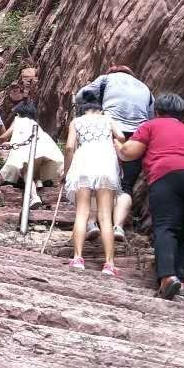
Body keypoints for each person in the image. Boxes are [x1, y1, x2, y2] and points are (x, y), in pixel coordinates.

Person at [117, 92, 184, 300]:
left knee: (166, 228)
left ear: (157, 111)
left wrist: (118, 145)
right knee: (181, 233)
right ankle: (181, 281)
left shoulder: (152, 125)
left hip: (169, 175)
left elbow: (129, 152)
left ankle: (168, 278)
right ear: (182, 114)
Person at [76, 64, 154, 241]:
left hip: (110, 129)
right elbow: (150, 117)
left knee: (98, 178)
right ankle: (118, 227)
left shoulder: (106, 79)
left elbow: (82, 95)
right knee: (126, 185)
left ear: (113, 71)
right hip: (137, 135)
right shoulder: (145, 88)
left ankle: (91, 223)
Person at [62, 88, 125, 276]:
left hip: (83, 164)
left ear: (83, 108)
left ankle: (78, 258)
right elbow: (121, 136)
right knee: (106, 216)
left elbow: (69, 147)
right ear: (99, 107)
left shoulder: (76, 122)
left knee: (82, 213)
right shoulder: (108, 119)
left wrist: (67, 171)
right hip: (105, 164)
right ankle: (109, 263)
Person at [0, 102, 64, 208]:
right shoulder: (34, 123)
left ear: (19, 113)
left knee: (26, 171)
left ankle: (34, 196)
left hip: (31, 151)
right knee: (34, 169)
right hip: (47, 149)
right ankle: (38, 182)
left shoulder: (18, 120)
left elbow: (4, 137)